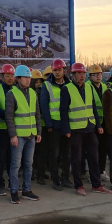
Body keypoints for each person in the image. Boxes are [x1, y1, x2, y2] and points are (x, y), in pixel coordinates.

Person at [60, 63, 111, 196]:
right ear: (73, 75)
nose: (82, 76)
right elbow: (63, 111)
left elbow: (93, 107)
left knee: (94, 158)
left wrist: (98, 125)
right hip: (76, 129)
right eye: (79, 73)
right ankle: (79, 185)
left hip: (90, 128)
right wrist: (66, 130)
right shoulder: (67, 89)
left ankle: (96, 185)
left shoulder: (88, 88)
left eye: (83, 73)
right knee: (77, 159)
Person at [5, 65, 42, 204]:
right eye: (25, 77)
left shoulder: (32, 93)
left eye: (29, 77)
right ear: (18, 79)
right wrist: (12, 135)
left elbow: (37, 114)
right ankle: (14, 191)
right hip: (19, 136)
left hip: (31, 135)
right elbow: (9, 116)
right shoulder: (12, 94)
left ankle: (27, 190)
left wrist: (38, 131)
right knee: (15, 165)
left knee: (28, 164)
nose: (28, 80)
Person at [41, 59, 73, 191]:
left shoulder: (70, 84)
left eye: (60, 70)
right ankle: (55, 179)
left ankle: (65, 178)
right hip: (54, 125)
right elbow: (44, 106)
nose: (57, 72)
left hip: (67, 124)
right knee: (54, 153)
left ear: (64, 70)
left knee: (67, 153)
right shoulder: (47, 85)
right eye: (55, 70)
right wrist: (49, 124)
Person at [0, 64, 16, 196]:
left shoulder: (17, 90)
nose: (10, 78)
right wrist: (8, 116)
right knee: (0, 157)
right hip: (1, 129)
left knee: (13, 158)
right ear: (2, 76)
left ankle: (13, 183)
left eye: (12, 76)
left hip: (14, 130)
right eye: (7, 75)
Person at [88, 65, 110, 183]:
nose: (98, 76)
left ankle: (101, 171)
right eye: (95, 74)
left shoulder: (105, 87)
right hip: (92, 123)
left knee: (103, 150)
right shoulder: (87, 87)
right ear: (90, 76)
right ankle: (92, 173)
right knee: (92, 151)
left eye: (99, 74)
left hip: (104, 123)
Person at [31, 69, 49, 185]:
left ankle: (40, 173)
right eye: (36, 82)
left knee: (42, 151)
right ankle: (34, 173)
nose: (38, 84)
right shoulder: (31, 94)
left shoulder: (42, 92)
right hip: (33, 127)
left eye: (40, 82)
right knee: (33, 153)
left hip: (43, 126)